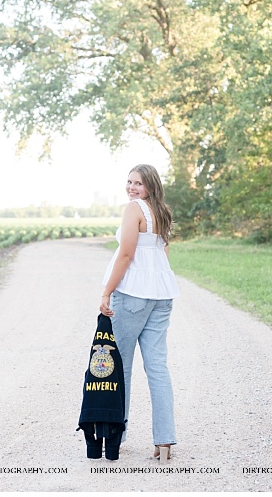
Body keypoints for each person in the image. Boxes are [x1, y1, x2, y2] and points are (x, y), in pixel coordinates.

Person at [99, 163, 179, 463]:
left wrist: (107, 291)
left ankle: (115, 437)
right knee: (158, 367)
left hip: (132, 294)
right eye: (129, 182)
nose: (132, 188)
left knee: (121, 367)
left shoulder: (134, 209)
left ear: (150, 186)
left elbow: (128, 253)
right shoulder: (162, 211)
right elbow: (163, 252)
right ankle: (165, 439)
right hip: (161, 296)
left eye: (139, 183)